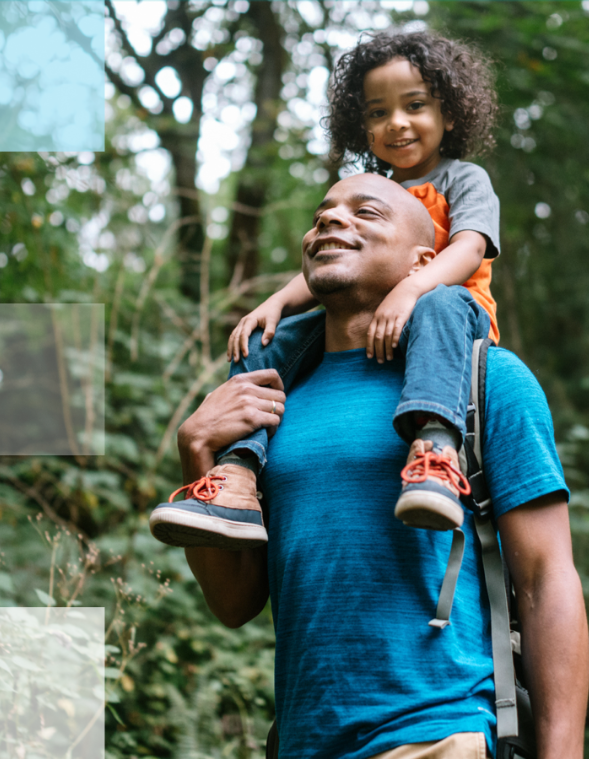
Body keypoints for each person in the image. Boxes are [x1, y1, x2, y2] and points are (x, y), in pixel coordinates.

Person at [175, 173, 589, 758]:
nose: (330, 220)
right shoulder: (266, 400)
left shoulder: (489, 380)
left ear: (424, 259)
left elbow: (548, 580)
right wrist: (196, 451)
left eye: (366, 211)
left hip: (438, 733)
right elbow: (234, 604)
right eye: (322, 214)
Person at [151, 30, 504, 549]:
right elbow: (333, 264)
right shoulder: (370, 187)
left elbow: (469, 249)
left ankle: (435, 450)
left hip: (448, 319)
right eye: (378, 113)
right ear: (362, 128)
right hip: (369, 320)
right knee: (266, 340)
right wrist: (274, 303)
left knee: (442, 302)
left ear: (450, 113)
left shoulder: (463, 179)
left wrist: (412, 289)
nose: (396, 123)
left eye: (415, 106)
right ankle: (237, 476)